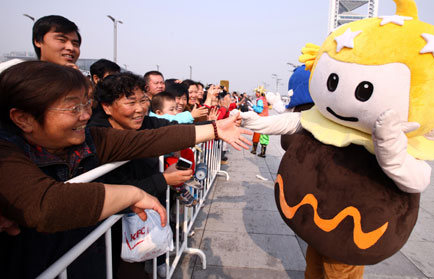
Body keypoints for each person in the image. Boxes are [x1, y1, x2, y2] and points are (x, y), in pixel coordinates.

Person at [0, 61, 250, 279]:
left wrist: (215, 129)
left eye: (87, 104)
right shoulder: (6, 154)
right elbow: (46, 206)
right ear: (23, 118)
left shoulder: (90, 138)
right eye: (73, 107)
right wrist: (131, 194)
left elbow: (149, 139)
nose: (86, 115)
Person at [90, 72, 192, 278]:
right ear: (107, 106)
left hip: (140, 228)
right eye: (131, 102)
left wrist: (216, 128)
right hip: (109, 235)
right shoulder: (95, 137)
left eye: (143, 100)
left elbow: (175, 131)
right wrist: (163, 179)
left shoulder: (145, 124)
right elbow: (114, 193)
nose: (140, 108)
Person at [251, 88, 270, 157]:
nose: (256, 93)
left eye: (257, 92)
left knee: (256, 134)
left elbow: (259, 110)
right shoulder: (265, 99)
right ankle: (263, 152)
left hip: (260, 119)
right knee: (264, 135)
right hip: (266, 118)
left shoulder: (260, 100)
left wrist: (253, 106)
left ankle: (254, 150)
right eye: (256, 92)